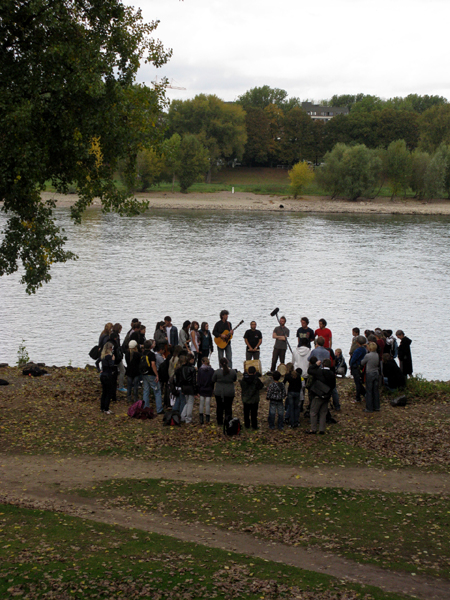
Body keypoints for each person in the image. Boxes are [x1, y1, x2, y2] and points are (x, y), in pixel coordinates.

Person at [306, 357, 336, 435]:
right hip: (327, 395)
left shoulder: (319, 372)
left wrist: (315, 365)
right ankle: (322, 429)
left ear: (322, 364)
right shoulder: (332, 374)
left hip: (318, 394)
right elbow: (333, 385)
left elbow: (309, 371)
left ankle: (313, 429)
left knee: (313, 412)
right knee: (323, 412)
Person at [140, 339, 163, 414]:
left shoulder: (143, 353)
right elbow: (153, 364)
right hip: (151, 374)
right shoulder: (151, 354)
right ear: (151, 346)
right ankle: (159, 409)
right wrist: (157, 374)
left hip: (144, 374)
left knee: (146, 391)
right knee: (157, 391)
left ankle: (145, 407)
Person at [212, 357, 237, 425]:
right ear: (228, 362)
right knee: (228, 407)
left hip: (219, 391)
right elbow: (234, 379)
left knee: (219, 407)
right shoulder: (233, 372)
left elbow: (213, 380)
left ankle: (219, 421)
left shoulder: (217, 372)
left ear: (220, 364)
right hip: (229, 391)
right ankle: (228, 421)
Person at [239, 366, 264, 430]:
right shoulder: (256, 379)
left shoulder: (244, 379)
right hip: (254, 399)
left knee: (246, 413)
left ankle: (247, 425)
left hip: (246, 398)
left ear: (248, 372)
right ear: (255, 372)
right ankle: (254, 425)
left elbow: (242, 385)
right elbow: (261, 386)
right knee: (254, 413)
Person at [361, 342, 380, 412]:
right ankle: (377, 406)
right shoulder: (377, 355)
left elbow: (362, 362)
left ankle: (369, 408)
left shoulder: (368, 355)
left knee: (369, 390)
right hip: (376, 373)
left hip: (370, 373)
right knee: (375, 390)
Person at [179, 353, 197, 424]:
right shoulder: (192, 369)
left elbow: (181, 379)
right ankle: (188, 418)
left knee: (187, 402)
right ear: (191, 360)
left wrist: (182, 388)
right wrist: (195, 390)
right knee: (190, 403)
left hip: (184, 387)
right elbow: (193, 381)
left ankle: (183, 416)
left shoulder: (182, 368)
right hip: (190, 387)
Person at [349, 335, 367, 403]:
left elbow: (353, 359)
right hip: (360, 367)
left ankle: (358, 397)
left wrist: (351, 365)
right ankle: (364, 394)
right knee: (358, 382)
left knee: (357, 383)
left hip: (356, 367)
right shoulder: (364, 349)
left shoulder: (358, 350)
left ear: (357, 342)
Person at [197, 357, 215, 424]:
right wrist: (212, 389)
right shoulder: (211, 370)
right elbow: (213, 381)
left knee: (201, 403)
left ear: (202, 362)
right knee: (207, 404)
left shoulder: (200, 370)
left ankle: (201, 418)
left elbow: (198, 381)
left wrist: (198, 390)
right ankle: (207, 418)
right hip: (209, 388)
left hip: (202, 388)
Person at [99, 342, 115, 414]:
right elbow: (111, 366)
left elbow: (97, 362)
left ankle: (102, 407)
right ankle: (106, 408)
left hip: (103, 375)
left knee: (104, 392)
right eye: (111, 348)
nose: (112, 349)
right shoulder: (109, 356)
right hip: (108, 376)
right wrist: (113, 359)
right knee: (108, 392)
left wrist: (99, 370)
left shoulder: (103, 356)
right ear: (109, 349)